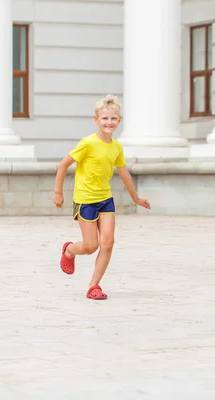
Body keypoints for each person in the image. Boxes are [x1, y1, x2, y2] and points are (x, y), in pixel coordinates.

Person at [52, 94, 151, 300]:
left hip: (106, 199)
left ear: (119, 121)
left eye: (113, 119)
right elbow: (63, 164)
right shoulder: (87, 143)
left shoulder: (117, 147)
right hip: (85, 200)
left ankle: (93, 286)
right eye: (104, 118)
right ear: (96, 120)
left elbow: (124, 174)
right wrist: (58, 193)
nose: (109, 122)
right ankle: (69, 250)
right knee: (90, 246)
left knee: (107, 243)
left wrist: (136, 198)